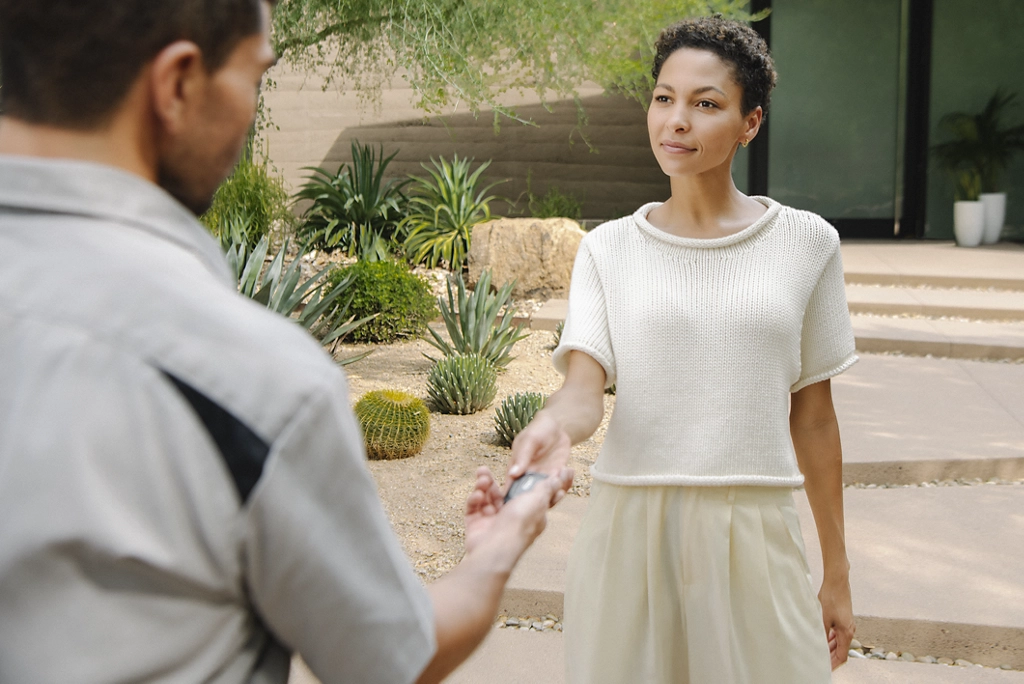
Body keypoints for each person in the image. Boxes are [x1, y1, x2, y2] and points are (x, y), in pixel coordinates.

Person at [0, 1, 573, 682]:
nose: (251, 111)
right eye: (255, 77)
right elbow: (396, 658)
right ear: (178, 84)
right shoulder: (248, 379)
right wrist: (502, 542)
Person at [508, 15, 857, 684]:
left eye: (706, 104)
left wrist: (837, 571)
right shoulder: (608, 249)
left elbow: (813, 417)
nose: (677, 121)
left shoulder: (808, 244)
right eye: (664, 98)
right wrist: (550, 428)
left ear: (749, 123)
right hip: (631, 529)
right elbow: (585, 387)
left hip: (756, 528)